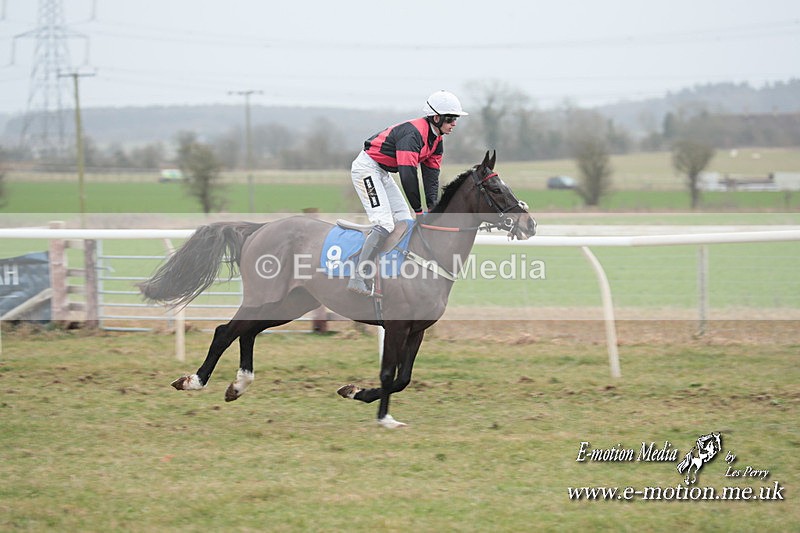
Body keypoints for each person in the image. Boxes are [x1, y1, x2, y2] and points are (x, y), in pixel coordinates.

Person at [347, 90, 468, 295]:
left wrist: (432, 208)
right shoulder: (413, 135)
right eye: (450, 118)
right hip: (366, 169)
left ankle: (391, 270)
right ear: (436, 117)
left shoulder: (437, 140)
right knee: (384, 222)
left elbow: (431, 178)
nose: (454, 123)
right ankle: (358, 275)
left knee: (404, 220)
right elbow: (408, 175)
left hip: (382, 172)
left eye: (455, 118)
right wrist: (419, 210)